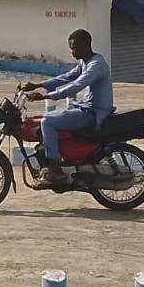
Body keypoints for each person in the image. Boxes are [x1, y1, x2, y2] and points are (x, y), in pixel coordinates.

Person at [22, 29, 114, 189]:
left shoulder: (96, 64)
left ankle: (55, 171)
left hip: (94, 113)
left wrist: (45, 96)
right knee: (48, 117)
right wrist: (39, 85)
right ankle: (60, 159)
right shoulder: (85, 62)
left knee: (48, 122)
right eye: (71, 48)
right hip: (86, 107)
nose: (72, 52)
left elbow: (77, 85)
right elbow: (67, 77)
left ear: (86, 45)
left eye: (74, 48)